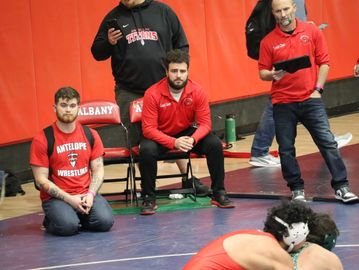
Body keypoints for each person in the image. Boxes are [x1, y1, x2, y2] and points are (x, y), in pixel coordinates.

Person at [91, 0, 209, 194]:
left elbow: (182, 45)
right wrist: (109, 43)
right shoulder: (113, 17)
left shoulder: (163, 11)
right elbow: (96, 52)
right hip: (129, 90)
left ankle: (187, 178)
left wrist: (177, 73)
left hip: (164, 87)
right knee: (139, 139)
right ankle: (147, 186)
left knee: (173, 131)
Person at [257, 0, 358, 202]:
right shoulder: (267, 41)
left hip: (310, 99)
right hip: (283, 102)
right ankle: (296, 189)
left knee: (328, 143)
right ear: (273, 13)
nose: (283, 14)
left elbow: (324, 62)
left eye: (286, 9)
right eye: (278, 11)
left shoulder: (312, 32)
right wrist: (272, 75)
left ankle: (341, 186)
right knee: (286, 149)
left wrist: (318, 89)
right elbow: (262, 72)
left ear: (294, 8)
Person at [139, 49, 235, 215]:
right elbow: (148, 129)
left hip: (187, 132)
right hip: (162, 135)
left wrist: (193, 139)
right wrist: (173, 142)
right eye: (174, 71)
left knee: (214, 144)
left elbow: (205, 124)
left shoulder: (197, 91)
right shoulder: (152, 93)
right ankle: (149, 197)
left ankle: (219, 192)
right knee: (146, 149)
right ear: (166, 72)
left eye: (182, 71)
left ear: (188, 72)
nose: (178, 75)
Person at [30, 87, 114, 236]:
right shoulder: (42, 138)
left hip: (84, 193)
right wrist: (70, 199)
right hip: (57, 198)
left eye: (72, 106)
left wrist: (90, 195)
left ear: (78, 108)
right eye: (63, 105)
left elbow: (98, 169)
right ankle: (52, 219)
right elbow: (40, 180)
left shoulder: (91, 135)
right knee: (68, 227)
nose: (68, 110)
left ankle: (78, 215)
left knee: (105, 222)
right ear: (55, 107)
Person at [183, 200, 343, 269]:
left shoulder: (253, 236)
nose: (306, 239)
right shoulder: (275, 254)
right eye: (305, 235)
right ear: (295, 234)